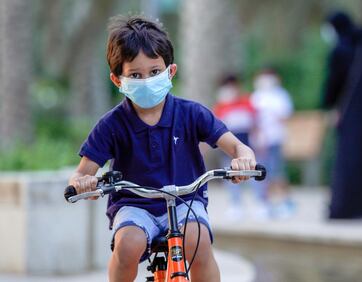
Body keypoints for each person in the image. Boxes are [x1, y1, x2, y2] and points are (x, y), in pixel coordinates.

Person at [68, 15, 257, 282]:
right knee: (127, 245)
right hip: (135, 205)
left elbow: (238, 147)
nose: (146, 80)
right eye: (135, 75)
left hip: (185, 200)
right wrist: (84, 183)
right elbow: (80, 174)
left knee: (198, 241)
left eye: (155, 72)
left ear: (171, 71)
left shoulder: (191, 114)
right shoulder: (111, 125)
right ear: (117, 79)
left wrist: (243, 160)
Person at [320, 11, 362, 219]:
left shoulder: (341, 50)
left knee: (347, 161)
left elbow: (334, 83)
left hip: (350, 115)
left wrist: (328, 106)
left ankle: (344, 208)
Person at [250, 67, 294, 219]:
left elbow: (285, 116)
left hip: (275, 139)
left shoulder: (281, 96)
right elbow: (252, 120)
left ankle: (284, 202)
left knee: (277, 171)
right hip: (260, 142)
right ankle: (265, 203)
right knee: (261, 174)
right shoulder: (257, 96)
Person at [213, 74, 256, 219]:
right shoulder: (221, 105)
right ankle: (235, 205)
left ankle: (259, 203)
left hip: (246, 142)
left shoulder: (246, 102)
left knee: (253, 173)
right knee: (230, 174)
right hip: (227, 145)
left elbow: (255, 123)